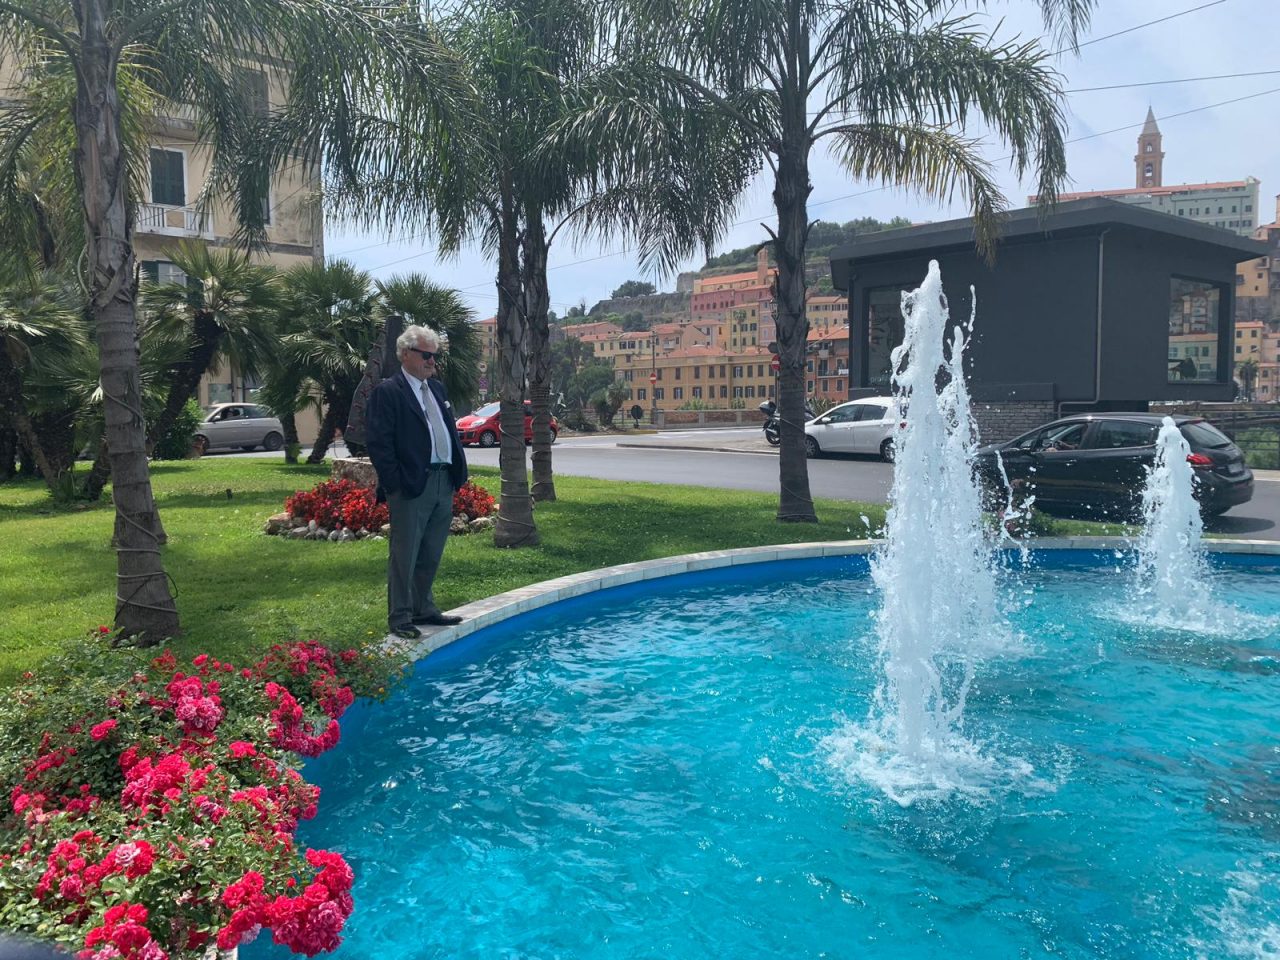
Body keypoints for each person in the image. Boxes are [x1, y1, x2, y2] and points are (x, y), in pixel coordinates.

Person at [366, 325, 469, 639]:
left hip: (443, 481)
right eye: (426, 355)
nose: (432, 361)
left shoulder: (436, 389)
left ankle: (423, 607)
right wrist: (394, 484)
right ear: (405, 354)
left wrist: (456, 473)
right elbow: (379, 443)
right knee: (405, 554)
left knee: (431, 551)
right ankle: (400, 617)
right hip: (411, 486)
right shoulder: (388, 392)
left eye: (434, 356)